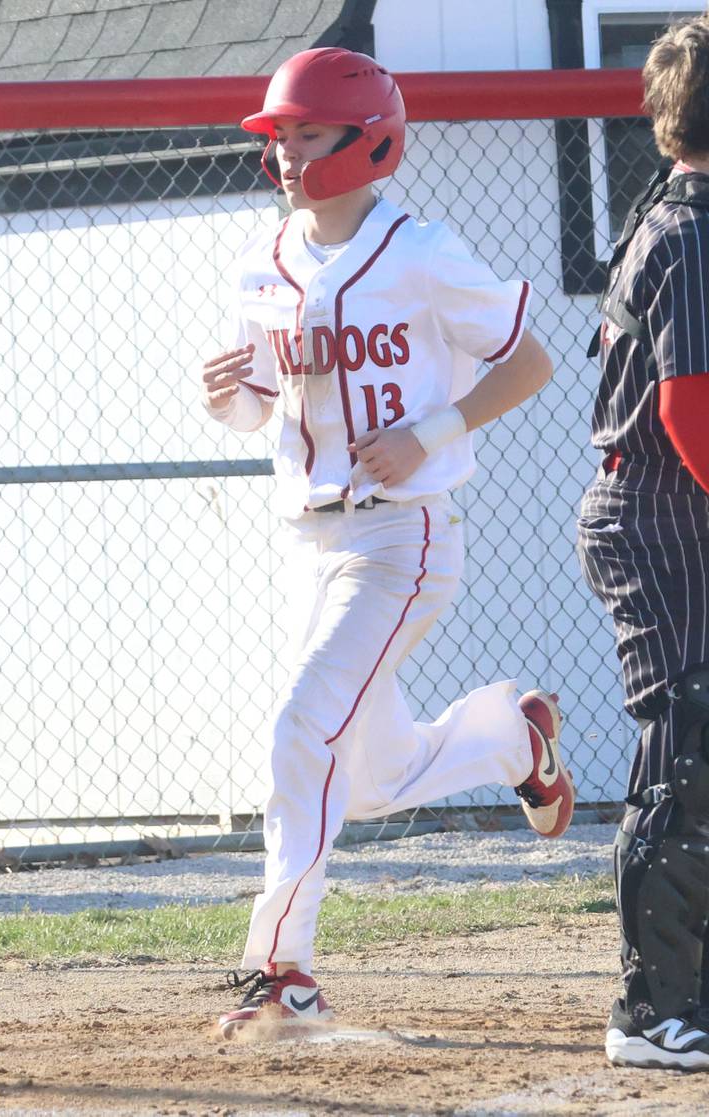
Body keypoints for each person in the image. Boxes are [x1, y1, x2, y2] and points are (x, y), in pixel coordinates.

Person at [202, 46, 574, 1038]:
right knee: (363, 775)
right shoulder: (261, 261)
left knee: (297, 729)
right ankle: (509, 735)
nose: (285, 153)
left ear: (366, 138)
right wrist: (228, 400)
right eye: (278, 135)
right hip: (307, 543)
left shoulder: (420, 250)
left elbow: (527, 361)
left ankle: (281, 967)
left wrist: (433, 431)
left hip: (402, 541)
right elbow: (259, 411)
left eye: (306, 132)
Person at [578, 14, 709, 1071]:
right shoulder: (692, 225)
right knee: (682, 739)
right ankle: (648, 1009)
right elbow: (688, 410)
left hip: (671, 508)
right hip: (657, 511)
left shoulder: (674, 205)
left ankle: (687, 988)